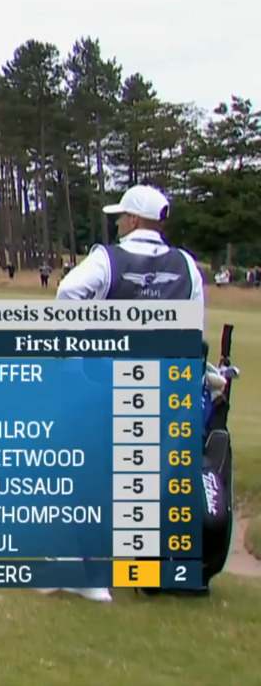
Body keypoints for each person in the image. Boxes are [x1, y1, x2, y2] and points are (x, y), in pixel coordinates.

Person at [48, 184, 204, 604]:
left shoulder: (108, 258)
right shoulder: (187, 266)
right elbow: (193, 331)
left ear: (134, 219)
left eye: (121, 217)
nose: (118, 223)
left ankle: (91, 575)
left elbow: (69, 292)